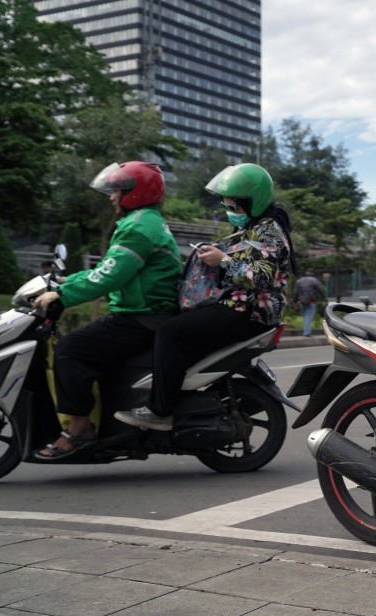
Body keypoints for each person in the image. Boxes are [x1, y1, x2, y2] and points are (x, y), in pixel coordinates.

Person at [115, 163, 295, 431]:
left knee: (170, 333)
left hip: (249, 312)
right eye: (227, 207)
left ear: (252, 201)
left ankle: (160, 411)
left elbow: (261, 277)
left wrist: (223, 260)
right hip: (239, 306)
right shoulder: (254, 226)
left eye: (234, 207)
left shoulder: (268, 230)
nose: (230, 213)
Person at [32, 161, 182, 460]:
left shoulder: (139, 228)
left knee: (70, 350)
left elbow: (108, 277)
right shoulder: (142, 222)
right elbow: (107, 269)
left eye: (117, 191)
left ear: (135, 193)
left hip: (143, 316)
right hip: (142, 312)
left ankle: (79, 430)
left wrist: (62, 294)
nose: (112, 197)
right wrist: (64, 281)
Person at [293, 269, 324, 337]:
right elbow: (320, 290)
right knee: (308, 317)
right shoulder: (314, 280)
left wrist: (295, 302)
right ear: (312, 274)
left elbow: (296, 292)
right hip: (311, 301)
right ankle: (306, 332)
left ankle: (306, 331)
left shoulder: (299, 281)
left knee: (305, 317)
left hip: (302, 301)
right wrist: (323, 297)